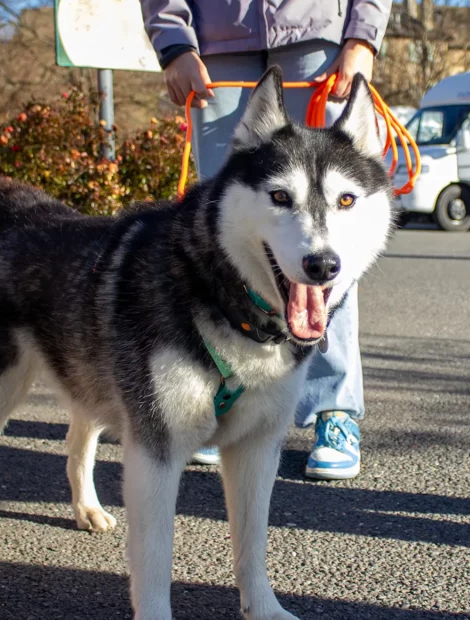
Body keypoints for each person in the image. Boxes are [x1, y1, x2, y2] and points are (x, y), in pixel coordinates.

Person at [141, 0, 393, 480]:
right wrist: (172, 40)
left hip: (318, 31)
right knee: (226, 233)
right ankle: (217, 406)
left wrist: (362, 37)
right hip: (216, 40)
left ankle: (333, 409)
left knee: (323, 236)